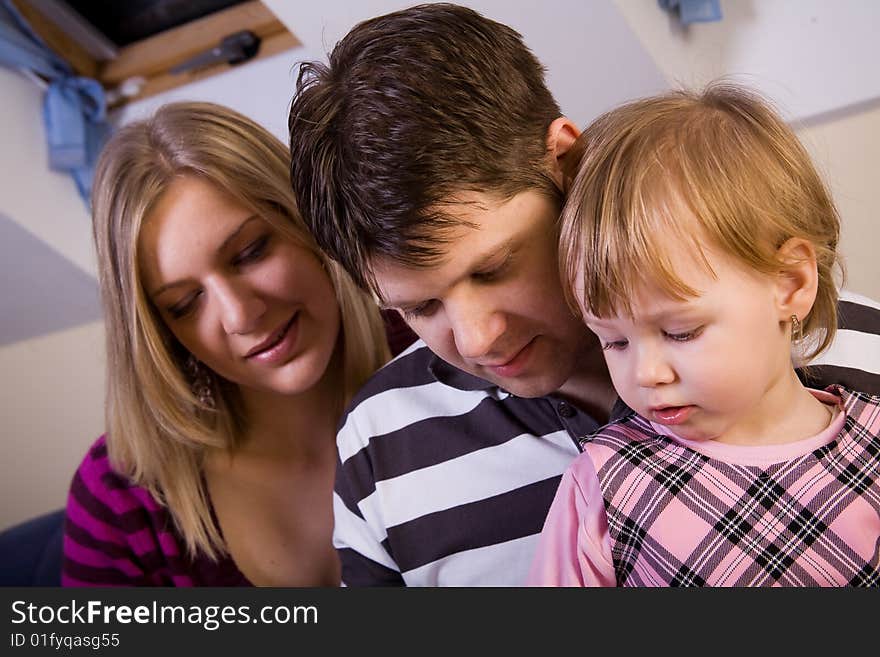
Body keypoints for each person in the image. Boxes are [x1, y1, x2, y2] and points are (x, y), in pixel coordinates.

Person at [288, 3, 880, 586]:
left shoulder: (859, 352)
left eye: (494, 268)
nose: (477, 340)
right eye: (420, 307)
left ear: (563, 162)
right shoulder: (378, 450)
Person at [528, 83, 880, 586]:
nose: (646, 373)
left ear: (792, 284)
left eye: (681, 332)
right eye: (615, 341)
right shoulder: (605, 485)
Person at [62, 101, 391, 586]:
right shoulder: (122, 495)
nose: (241, 315)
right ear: (161, 333)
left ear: (307, 221)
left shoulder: (445, 343)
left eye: (251, 252)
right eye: (184, 303)